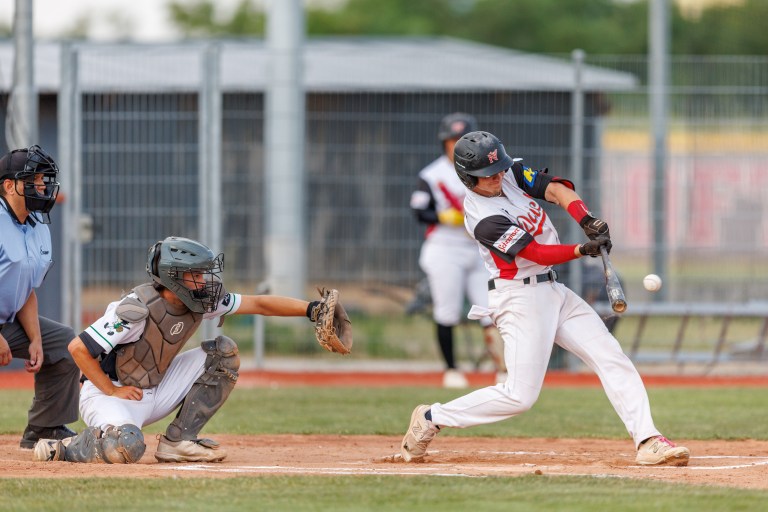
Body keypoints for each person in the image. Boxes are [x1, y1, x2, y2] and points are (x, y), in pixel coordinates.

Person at [400, 131, 690, 467]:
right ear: (468, 178)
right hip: (519, 299)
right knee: (519, 396)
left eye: (498, 169)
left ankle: (648, 440)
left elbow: (555, 189)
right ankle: (432, 417)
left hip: (553, 290)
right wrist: (582, 249)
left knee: (610, 356)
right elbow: (536, 253)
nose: (497, 177)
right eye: (487, 174)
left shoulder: (508, 173)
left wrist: (586, 219)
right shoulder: (482, 217)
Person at [33, 236, 347, 464]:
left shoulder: (200, 302)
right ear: (173, 278)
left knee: (223, 354)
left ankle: (178, 441)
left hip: (155, 388)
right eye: (196, 275)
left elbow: (260, 304)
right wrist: (111, 391)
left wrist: (312, 309)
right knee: (127, 447)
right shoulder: (134, 310)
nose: (205, 281)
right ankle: (67, 447)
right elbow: (78, 348)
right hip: (111, 395)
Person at [409, 113, 505, 388]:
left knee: (491, 310)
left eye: (461, 141)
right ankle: (451, 369)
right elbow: (419, 211)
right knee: (447, 310)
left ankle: (503, 370)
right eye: (451, 141)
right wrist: (443, 217)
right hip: (445, 248)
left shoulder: (485, 170)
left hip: (478, 247)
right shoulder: (432, 174)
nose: (455, 146)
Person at [0, 145, 81, 449]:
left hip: (7, 322)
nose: (42, 186)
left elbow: (25, 289)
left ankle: (45, 427)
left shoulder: (37, 225)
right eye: (33, 180)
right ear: (9, 186)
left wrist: (35, 339)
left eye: (43, 180)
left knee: (64, 344)